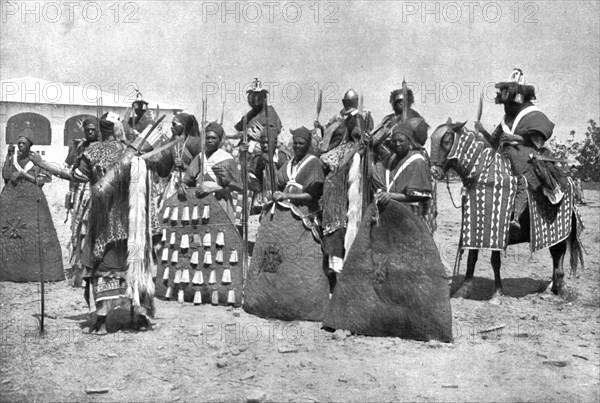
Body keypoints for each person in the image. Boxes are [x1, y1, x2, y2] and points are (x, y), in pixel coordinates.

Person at [31, 112, 160, 334]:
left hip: (105, 222)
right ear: (119, 129)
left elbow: (74, 176)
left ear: (102, 130)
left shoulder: (92, 151)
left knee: (102, 265)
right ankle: (140, 315)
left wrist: (42, 164)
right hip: (134, 223)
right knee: (136, 263)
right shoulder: (134, 152)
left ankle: (101, 320)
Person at [243, 126, 329, 321]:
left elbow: (312, 194)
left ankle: (304, 303)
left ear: (308, 145)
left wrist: (287, 195)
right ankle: (274, 298)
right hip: (285, 217)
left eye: (301, 143)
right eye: (295, 143)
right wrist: (276, 193)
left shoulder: (313, 163)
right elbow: (280, 183)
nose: (298, 146)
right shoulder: (289, 163)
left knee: (300, 258)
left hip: (304, 216)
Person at [475, 69, 565, 229]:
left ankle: (519, 216)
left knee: (523, 181)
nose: (507, 106)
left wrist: (515, 138)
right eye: (505, 102)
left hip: (527, 157)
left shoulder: (533, 115)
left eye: (510, 101)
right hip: (503, 157)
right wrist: (481, 131)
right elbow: (493, 143)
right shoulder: (505, 121)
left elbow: (537, 141)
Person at [315, 89, 373, 284]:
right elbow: (330, 140)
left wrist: (362, 141)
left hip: (355, 154)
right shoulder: (340, 117)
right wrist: (322, 129)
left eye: (351, 101)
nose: (348, 104)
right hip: (342, 151)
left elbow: (359, 138)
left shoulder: (361, 117)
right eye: (346, 101)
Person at [0, 132, 64, 282]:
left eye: (23, 143)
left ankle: (35, 272)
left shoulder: (35, 160)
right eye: (18, 143)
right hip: (12, 201)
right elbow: (5, 175)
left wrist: (23, 175)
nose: (20, 145)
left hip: (32, 201)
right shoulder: (13, 159)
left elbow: (43, 180)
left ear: (30, 145)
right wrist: (8, 156)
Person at [64, 117, 99, 286]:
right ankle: (79, 270)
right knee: (78, 229)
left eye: (93, 129)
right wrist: (70, 194)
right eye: (88, 130)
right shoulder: (80, 147)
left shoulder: (102, 147)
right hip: (80, 191)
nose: (91, 132)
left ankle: (92, 268)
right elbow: (73, 171)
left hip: (96, 192)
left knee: (92, 228)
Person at [371, 123, 433, 220]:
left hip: (410, 216)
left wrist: (390, 196)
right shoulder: (390, 159)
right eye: (394, 141)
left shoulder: (418, 161)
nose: (397, 144)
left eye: (401, 141)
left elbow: (418, 196)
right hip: (388, 213)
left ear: (410, 141)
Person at [233, 78, 282, 155]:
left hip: (264, 148)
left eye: (256, 98)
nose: (253, 101)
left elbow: (272, 135)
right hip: (246, 148)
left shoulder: (270, 114)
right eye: (252, 97)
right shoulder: (251, 114)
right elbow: (238, 128)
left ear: (263, 99)